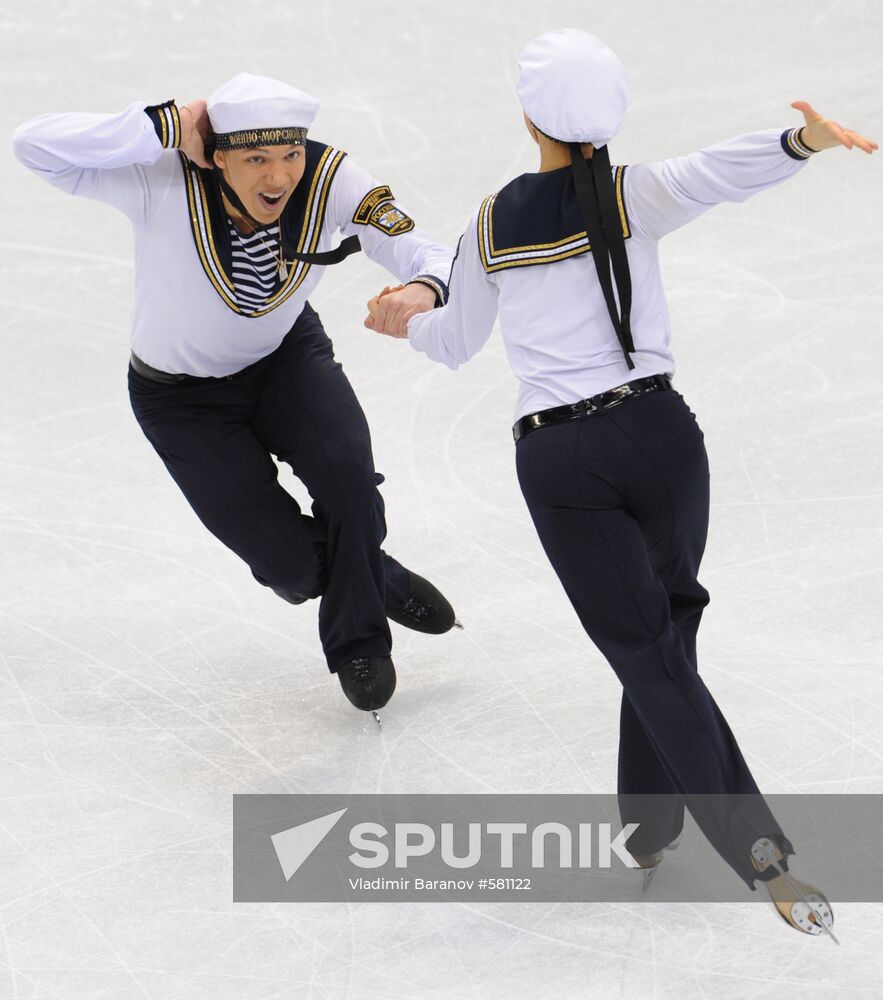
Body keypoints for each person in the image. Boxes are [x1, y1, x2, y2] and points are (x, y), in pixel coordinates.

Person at [367, 29, 876, 935]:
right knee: (667, 629)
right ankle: (646, 825)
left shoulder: (488, 226)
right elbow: (715, 172)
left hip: (562, 461)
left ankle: (762, 859)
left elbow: (452, 346)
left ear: (529, 116)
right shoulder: (633, 192)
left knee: (646, 652)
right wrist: (801, 142)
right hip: (662, 436)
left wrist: (402, 321)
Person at [12, 73, 459, 716]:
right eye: (255, 159)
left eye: (289, 155)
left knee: (349, 483)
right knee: (293, 569)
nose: (278, 177)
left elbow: (425, 248)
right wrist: (162, 125)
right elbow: (34, 145)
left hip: (286, 362)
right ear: (216, 154)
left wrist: (424, 287)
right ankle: (374, 576)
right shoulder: (159, 176)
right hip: (181, 403)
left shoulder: (329, 178)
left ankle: (359, 641)